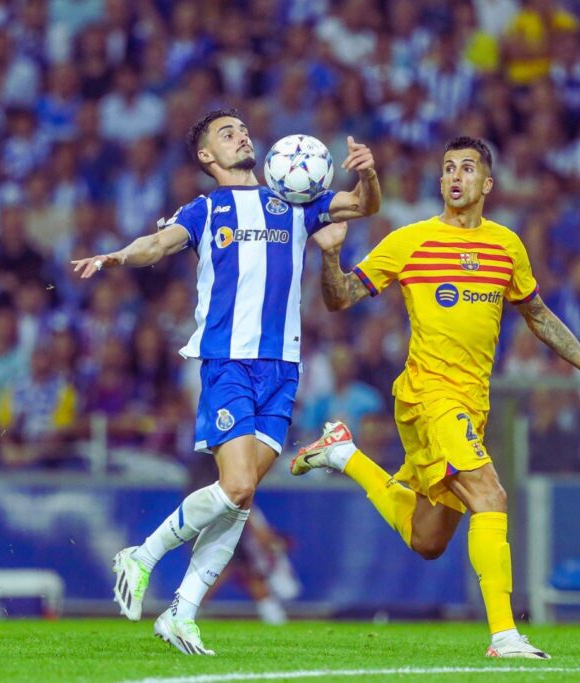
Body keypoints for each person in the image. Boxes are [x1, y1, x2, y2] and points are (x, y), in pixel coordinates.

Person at [292, 136, 580, 659]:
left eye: (466, 168)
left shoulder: (507, 245)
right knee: (491, 496)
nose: (454, 177)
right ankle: (505, 634)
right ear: (440, 182)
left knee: (428, 540)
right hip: (428, 395)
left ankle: (343, 454)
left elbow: (540, 316)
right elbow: (340, 298)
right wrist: (330, 258)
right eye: (446, 169)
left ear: (487, 183)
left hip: (470, 404)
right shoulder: (409, 240)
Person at [72, 107, 381, 654]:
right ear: (206, 156)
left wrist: (368, 172)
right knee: (237, 487)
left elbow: (361, 205)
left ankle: (180, 614)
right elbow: (158, 244)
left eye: (242, 128)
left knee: (240, 499)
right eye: (226, 132)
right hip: (228, 361)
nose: (241, 135)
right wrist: (117, 256)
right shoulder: (206, 208)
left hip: (283, 368)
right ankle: (141, 557)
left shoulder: (294, 200)